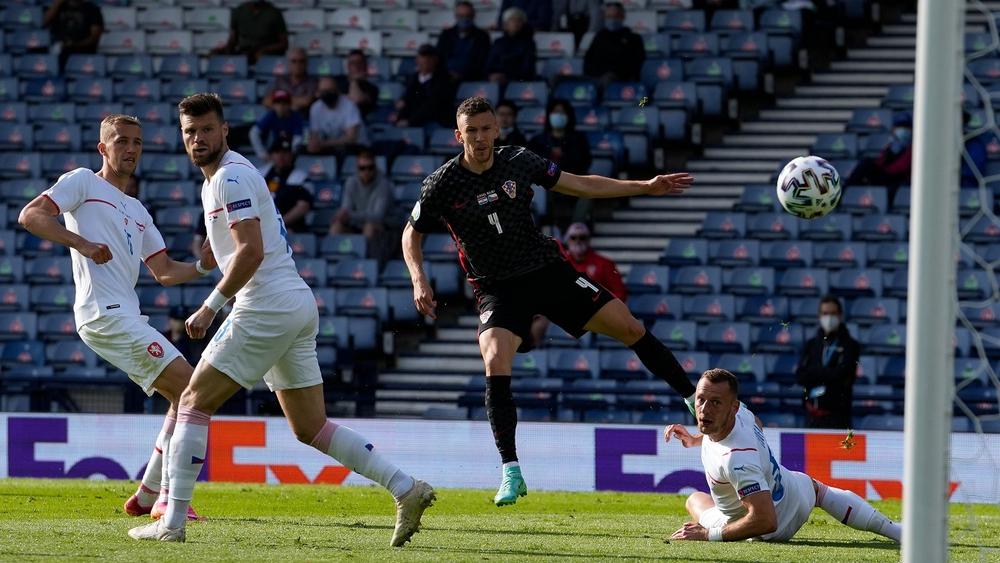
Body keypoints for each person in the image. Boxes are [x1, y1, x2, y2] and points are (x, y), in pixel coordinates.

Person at [128, 93, 434, 545]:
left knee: (192, 401)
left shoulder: (229, 176)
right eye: (189, 132)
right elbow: (247, 245)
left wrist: (210, 306)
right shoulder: (227, 176)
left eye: (207, 129)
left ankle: (171, 524)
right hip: (293, 302)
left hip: (265, 305)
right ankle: (406, 488)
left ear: (225, 129)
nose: (198, 139)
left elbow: (251, 251)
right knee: (309, 426)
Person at [402, 97, 698, 506]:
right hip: (496, 287)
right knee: (493, 356)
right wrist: (419, 278)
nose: (481, 137)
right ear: (459, 135)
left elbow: (581, 183)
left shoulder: (520, 161)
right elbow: (410, 233)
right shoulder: (442, 183)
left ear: (497, 130)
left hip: (546, 271)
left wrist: (644, 187)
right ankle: (511, 471)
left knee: (629, 326)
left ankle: (691, 399)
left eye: (487, 129)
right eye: (472, 131)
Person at [17, 114, 209, 522]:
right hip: (103, 314)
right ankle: (165, 498)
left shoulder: (138, 209)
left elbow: (165, 272)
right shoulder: (83, 181)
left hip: (127, 316)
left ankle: (147, 494)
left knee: (187, 394)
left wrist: (205, 266)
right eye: (121, 141)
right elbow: (31, 216)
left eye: (137, 142)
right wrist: (82, 243)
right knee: (192, 389)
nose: (131, 149)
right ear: (104, 148)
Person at [664, 368, 901, 544]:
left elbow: (766, 521)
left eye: (715, 402)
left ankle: (723, 528)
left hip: (766, 530)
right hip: (794, 492)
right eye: (701, 400)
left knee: (696, 501)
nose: (704, 409)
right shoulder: (743, 415)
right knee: (818, 490)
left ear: (733, 407)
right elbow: (757, 424)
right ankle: (896, 531)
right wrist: (697, 439)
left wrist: (709, 535)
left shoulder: (736, 459)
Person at [530, 222, 627, 347]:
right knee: (537, 322)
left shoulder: (604, 264)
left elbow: (620, 293)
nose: (578, 241)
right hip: (563, 308)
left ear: (588, 239)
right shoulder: (558, 262)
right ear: (567, 240)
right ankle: (536, 360)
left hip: (596, 309)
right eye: (573, 237)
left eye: (582, 237)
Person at [795, 295, 860, 429]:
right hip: (812, 416)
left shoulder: (850, 345)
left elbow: (843, 375)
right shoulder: (811, 345)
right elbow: (800, 375)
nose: (829, 318)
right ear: (819, 316)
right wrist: (829, 373)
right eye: (825, 313)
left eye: (833, 314)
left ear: (840, 316)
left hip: (838, 418)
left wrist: (814, 373)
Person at [528, 99, 593, 228]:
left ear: (569, 116)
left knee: (588, 191)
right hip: (545, 184)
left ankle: (575, 230)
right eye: (555, 112)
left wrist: (564, 158)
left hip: (572, 181)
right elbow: (531, 165)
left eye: (562, 112)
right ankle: (542, 226)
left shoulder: (578, 139)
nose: (558, 115)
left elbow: (585, 162)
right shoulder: (538, 140)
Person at [330, 149, 392, 251]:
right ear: (357, 169)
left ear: (375, 167)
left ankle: (365, 262)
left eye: (370, 168)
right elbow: (346, 208)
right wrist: (343, 215)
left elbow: (378, 216)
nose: (366, 171)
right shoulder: (351, 182)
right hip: (356, 224)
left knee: (369, 227)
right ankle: (337, 260)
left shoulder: (383, 185)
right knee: (336, 227)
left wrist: (350, 215)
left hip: (381, 227)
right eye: (362, 168)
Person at [846, 112, 912, 198]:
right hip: (886, 177)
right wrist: (890, 152)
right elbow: (880, 162)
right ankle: (846, 193)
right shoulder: (891, 145)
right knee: (866, 163)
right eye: (899, 127)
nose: (903, 130)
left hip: (898, 180)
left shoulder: (913, 148)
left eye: (906, 127)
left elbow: (902, 167)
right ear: (893, 129)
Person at [394, 44, 456, 129]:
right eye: (423, 56)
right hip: (412, 121)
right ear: (417, 60)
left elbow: (432, 105)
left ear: (435, 60)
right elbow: (406, 100)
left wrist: (410, 121)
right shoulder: (413, 78)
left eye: (429, 57)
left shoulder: (443, 80)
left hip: (434, 121)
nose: (426, 60)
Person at [583, 2, 646, 84]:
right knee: (563, 80)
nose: (612, 20)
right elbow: (588, 60)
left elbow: (636, 64)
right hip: (596, 77)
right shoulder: (599, 37)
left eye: (615, 17)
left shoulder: (633, 38)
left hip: (619, 79)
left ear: (623, 17)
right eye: (608, 17)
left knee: (607, 80)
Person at [260, 137, 313, 233]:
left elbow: (303, 206)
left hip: (290, 228)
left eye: (285, 153)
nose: (281, 156)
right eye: (277, 152)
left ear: (292, 155)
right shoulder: (261, 174)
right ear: (271, 155)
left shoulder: (301, 178)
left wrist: (278, 223)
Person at [307, 76, 368, 155]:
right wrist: (314, 144)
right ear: (318, 93)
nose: (327, 94)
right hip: (331, 147)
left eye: (330, 90)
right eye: (324, 91)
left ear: (337, 91)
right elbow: (315, 135)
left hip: (357, 147)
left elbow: (351, 138)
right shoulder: (316, 108)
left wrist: (323, 144)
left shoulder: (349, 105)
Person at [213, 0, 288, 64]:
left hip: (266, 52)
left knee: (259, 56)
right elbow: (232, 40)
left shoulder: (275, 13)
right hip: (244, 52)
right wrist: (223, 50)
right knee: (215, 54)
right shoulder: (239, 11)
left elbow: (284, 43)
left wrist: (264, 50)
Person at [436, 1, 491, 83]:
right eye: (461, 16)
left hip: (471, 79)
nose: (465, 19)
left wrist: (462, 75)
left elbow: (483, 63)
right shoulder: (446, 35)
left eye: (468, 16)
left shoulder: (482, 37)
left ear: (473, 16)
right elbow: (439, 58)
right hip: (446, 79)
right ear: (456, 16)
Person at [43, 0, 104, 70]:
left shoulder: (92, 9)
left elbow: (94, 37)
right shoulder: (57, 8)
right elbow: (42, 23)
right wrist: (57, 3)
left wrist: (74, 44)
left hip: (82, 53)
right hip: (58, 52)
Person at [485, 7, 537, 84]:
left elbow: (527, 70)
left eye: (519, 20)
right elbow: (489, 65)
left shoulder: (528, 44)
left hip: (517, 82)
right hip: (495, 81)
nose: (515, 23)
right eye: (512, 20)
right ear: (505, 24)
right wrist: (491, 75)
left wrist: (506, 77)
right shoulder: (498, 43)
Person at [250, 89, 305, 159]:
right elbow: (254, 132)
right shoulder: (271, 115)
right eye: (278, 103)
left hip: (292, 152)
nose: (281, 106)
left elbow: (298, 139)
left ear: (289, 105)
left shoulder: (296, 117)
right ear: (273, 105)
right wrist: (262, 154)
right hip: (274, 151)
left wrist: (292, 154)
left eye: (284, 103)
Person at [264, 48, 318, 116]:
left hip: (301, 120)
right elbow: (267, 101)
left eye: (301, 61)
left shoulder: (312, 81)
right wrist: (293, 103)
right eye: (293, 61)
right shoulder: (279, 80)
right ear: (288, 64)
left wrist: (279, 102)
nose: (298, 64)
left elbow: (306, 101)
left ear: (306, 64)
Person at [336, 50, 379, 121]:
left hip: (359, 124)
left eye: (360, 62)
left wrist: (354, 81)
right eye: (353, 63)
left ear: (365, 66)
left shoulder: (372, 89)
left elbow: (356, 100)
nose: (356, 66)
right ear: (348, 66)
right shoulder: (338, 83)